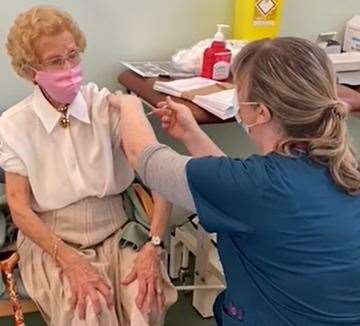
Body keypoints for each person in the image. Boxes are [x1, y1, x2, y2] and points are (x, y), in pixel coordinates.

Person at [110, 37, 360, 325]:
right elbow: (236, 191)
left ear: (262, 112)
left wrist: (127, 103)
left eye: (237, 94)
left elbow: (145, 159)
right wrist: (192, 134)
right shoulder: (341, 166)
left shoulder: (256, 185)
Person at [1, 6, 176, 325]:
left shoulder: (107, 107)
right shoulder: (14, 125)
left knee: (144, 301)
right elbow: (20, 208)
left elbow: (160, 174)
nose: (69, 68)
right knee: (89, 311)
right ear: (30, 71)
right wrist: (69, 261)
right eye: (55, 61)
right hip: (54, 237)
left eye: (73, 55)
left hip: (118, 226)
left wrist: (154, 244)